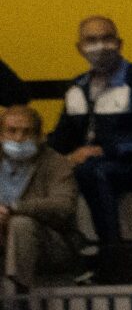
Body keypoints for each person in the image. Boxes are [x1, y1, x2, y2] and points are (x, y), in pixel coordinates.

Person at [52, 15, 132, 250]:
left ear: (119, 44)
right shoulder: (77, 86)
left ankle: (112, 250)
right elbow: (62, 137)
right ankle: (68, 247)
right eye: (91, 40)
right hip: (88, 166)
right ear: (80, 48)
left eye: (107, 38)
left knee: (94, 171)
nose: (100, 46)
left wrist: (104, 150)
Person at [0, 102, 80, 290]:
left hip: (49, 243)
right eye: (12, 131)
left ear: (39, 136)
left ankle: (19, 296)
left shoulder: (56, 163)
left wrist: (14, 208)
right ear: (1, 135)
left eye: (27, 132)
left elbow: (64, 206)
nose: (19, 138)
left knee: (20, 224)